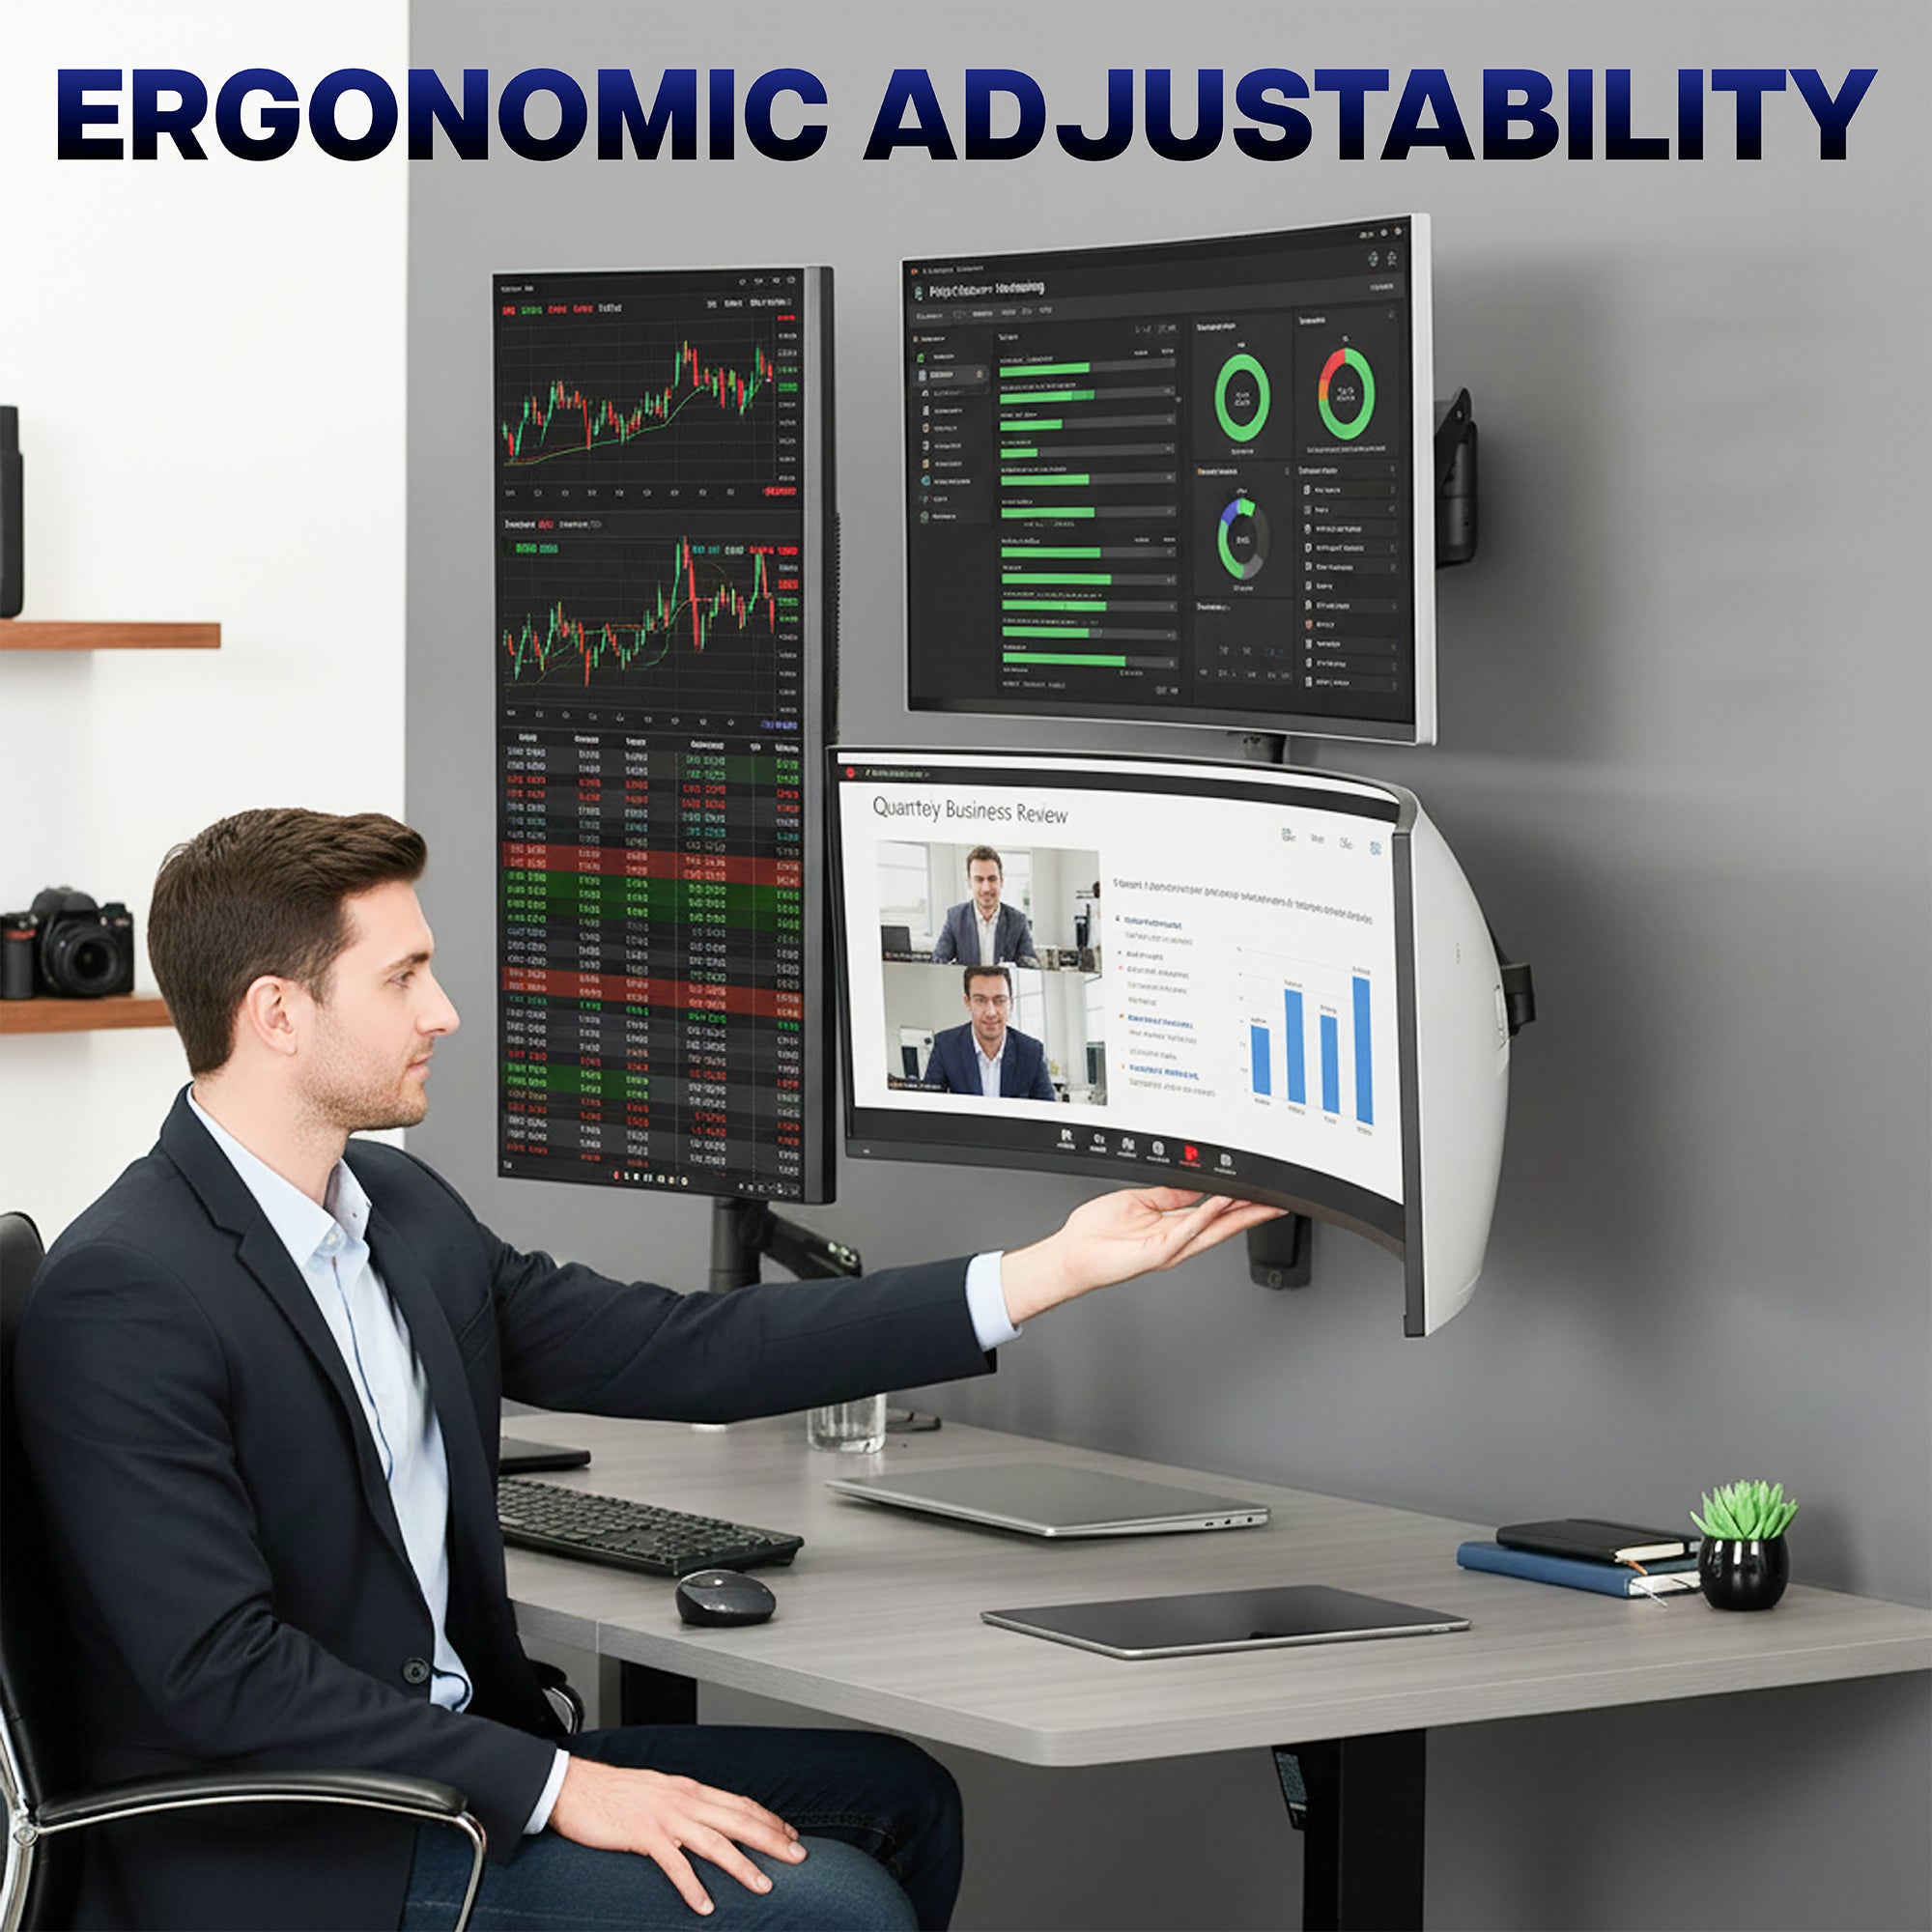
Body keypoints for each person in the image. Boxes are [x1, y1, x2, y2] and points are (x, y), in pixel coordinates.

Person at [14, 809, 1277, 1932]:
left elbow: (681, 1348)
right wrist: (568, 1788)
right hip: (298, 1844)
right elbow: (218, 1676)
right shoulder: (131, 1291)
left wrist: (1047, 1269)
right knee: (827, 1906)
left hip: (460, 1761)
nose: (443, 1012)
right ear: (278, 1015)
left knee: (900, 1802)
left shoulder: (394, 1209)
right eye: (402, 977)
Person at [923, 966, 1057, 1101]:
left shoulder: (1032, 1052)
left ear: (1011, 1004)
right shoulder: (946, 1046)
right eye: (980, 1000)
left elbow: (1049, 1114)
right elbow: (929, 1107)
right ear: (967, 1003)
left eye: (1000, 1001)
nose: (991, 1012)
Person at [927, 847, 1037, 968]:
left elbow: (1031, 966)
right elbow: (937, 963)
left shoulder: (1018, 921)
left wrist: (1015, 967)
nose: (986, 888)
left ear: (1001, 881)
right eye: (979, 880)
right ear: (969, 882)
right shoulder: (955, 918)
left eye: (992, 879)